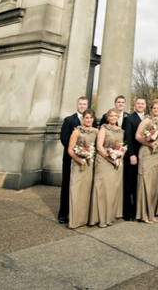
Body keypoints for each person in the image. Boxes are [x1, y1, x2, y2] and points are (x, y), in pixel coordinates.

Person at [89, 108, 125, 228]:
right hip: (104, 161)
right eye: (111, 116)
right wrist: (111, 159)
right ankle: (100, 219)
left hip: (117, 162)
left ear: (118, 117)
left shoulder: (121, 131)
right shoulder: (103, 129)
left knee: (113, 190)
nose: (113, 118)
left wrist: (120, 158)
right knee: (103, 189)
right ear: (107, 117)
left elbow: (122, 147)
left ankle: (110, 216)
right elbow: (99, 146)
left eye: (116, 116)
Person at [58, 96, 90, 224]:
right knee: (67, 186)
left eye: (84, 104)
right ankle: (63, 214)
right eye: (80, 104)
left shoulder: (90, 121)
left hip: (86, 159)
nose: (82, 106)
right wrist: (78, 151)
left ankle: (79, 213)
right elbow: (64, 139)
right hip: (71, 158)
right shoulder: (69, 120)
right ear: (77, 105)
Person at [135, 99, 158, 223]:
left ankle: (151, 213)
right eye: (154, 108)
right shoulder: (146, 120)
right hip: (147, 153)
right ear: (151, 109)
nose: (156, 110)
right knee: (146, 182)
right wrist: (149, 143)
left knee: (154, 184)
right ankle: (143, 214)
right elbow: (138, 136)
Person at [67, 110, 97, 228]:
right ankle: (75, 220)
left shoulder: (97, 131)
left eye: (91, 118)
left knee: (87, 191)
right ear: (83, 118)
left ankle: (86, 218)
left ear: (93, 119)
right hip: (78, 163)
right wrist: (78, 159)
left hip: (91, 164)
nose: (88, 120)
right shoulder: (77, 131)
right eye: (86, 118)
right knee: (77, 190)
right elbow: (70, 149)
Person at [122, 97, 146, 221]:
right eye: (138, 103)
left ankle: (138, 210)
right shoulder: (129, 119)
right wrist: (131, 154)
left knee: (139, 184)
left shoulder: (148, 119)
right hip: (133, 155)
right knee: (129, 184)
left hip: (145, 156)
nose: (140, 105)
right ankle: (127, 212)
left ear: (145, 105)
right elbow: (128, 138)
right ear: (134, 105)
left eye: (142, 103)